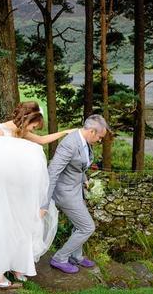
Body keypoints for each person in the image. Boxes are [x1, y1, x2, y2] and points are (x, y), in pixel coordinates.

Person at [0, 101, 75, 288]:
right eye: (33, 126)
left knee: (19, 226)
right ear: (26, 119)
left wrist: (65, 132)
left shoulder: (21, 132)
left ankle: (17, 265)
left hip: (14, 191)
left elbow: (43, 140)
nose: (34, 130)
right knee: (0, 227)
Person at [42, 114, 109, 274]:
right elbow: (52, 173)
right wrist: (44, 204)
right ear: (92, 131)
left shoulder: (85, 141)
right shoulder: (69, 144)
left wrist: (84, 178)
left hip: (76, 189)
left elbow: (78, 165)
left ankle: (76, 256)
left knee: (78, 225)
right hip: (65, 193)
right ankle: (60, 258)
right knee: (87, 227)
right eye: (100, 137)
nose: (100, 141)